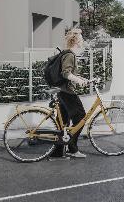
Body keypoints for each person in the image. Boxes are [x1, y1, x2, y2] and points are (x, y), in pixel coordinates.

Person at [50, 28, 90, 159]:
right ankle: (72, 149)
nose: (83, 41)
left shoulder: (68, 53)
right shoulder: (70, 55)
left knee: (62, 122)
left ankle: (58, 151)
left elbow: (71, 73)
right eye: (81, 39)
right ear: (77, 41)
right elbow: (66, 73)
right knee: (81, 117)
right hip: (67, 92)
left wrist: (83, 80)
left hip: (62, 92)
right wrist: (78, 80)